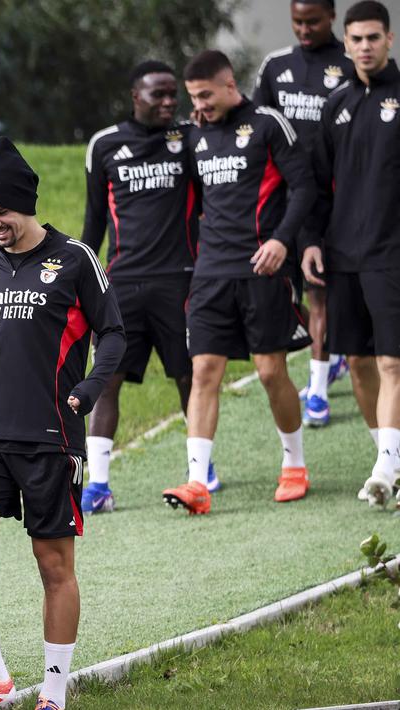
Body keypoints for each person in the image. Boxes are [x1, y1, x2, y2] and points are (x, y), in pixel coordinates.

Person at [0, 137, 125, 710]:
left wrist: (90, 389)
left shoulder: (75, 260)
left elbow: (115, 334)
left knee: (53, 564)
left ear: (27, 205)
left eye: (3, 211)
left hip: (51, 435)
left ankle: (54, 693)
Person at [163, 50, 315, 514]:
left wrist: (283, 242)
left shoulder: (269, 124)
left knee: (270, 371)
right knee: (204, 371)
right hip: (210, 275)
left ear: (230, 85)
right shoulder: (192, 136)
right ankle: (196, 482)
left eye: (205, 95)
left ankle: (294, 464)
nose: (199, 105)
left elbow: (304, 187)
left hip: (263, 270)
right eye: (193, 97)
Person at [81, 60, 201, 513]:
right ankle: (99, 485)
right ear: (137, 96)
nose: (170, 102)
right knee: (107, 381)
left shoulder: (189, 139)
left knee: (188, 377)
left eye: (174, 94)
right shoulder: (105, 144)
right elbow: (94, 220)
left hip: (180, 281)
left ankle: (199, 471)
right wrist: (82, 282)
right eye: (159, 95)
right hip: (122, 285)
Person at [302, 0, 400, 507]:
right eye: (356, 39)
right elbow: (317, 185)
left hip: (391, 254)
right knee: (357, 361)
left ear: (389, 39)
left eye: (373, 37)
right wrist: (311, 241)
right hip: (343, 256)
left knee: (391, 364)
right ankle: (389, 458)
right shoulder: (335, 105)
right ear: (346, 43)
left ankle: (386, 466)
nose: (364, 46)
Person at [254, 0, 357, 426]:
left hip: (332, 199)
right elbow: (257, 123)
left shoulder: (351, 64)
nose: (304, 29)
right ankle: (329, 356)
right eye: (297, 21)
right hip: (283, 200)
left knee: (319, 290)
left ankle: (316, 391)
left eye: (312, 21)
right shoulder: (275, 66)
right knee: (287, 289)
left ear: (331, 16)